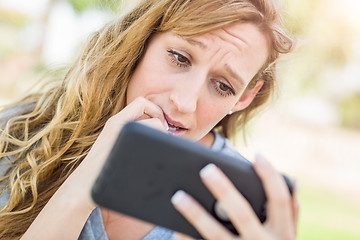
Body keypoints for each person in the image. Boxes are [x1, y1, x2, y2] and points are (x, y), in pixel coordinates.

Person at [0, 0, 299, 239]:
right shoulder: (16, 137)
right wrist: (79, 190)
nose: (184, 102)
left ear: (244, 97)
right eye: (179, 58)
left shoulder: (241, 211)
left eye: (223, 86)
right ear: (141, 41)